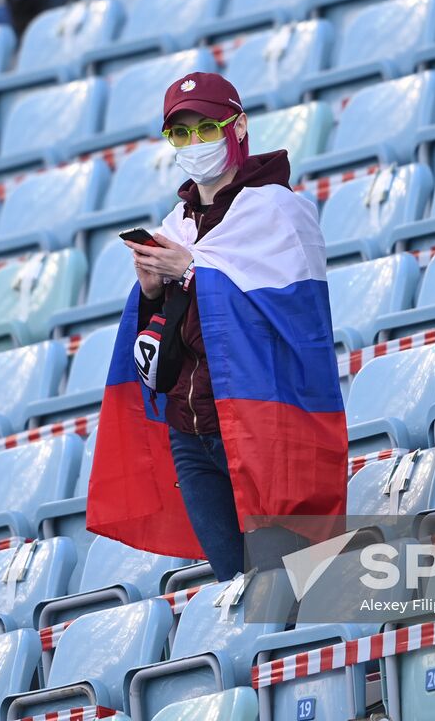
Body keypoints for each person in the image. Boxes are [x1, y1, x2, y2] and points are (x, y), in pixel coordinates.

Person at [85, 72, 349, 582]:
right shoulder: (175, 224)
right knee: (240, 585)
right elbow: (162, 342)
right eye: (180, 134)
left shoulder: (279, 210)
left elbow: (292, 326)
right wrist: (152, 292)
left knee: (291, 582)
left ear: (239, 125)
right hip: (192, 434)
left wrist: (189, 271)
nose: (192, 143)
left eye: (205, 128)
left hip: (264, 427)